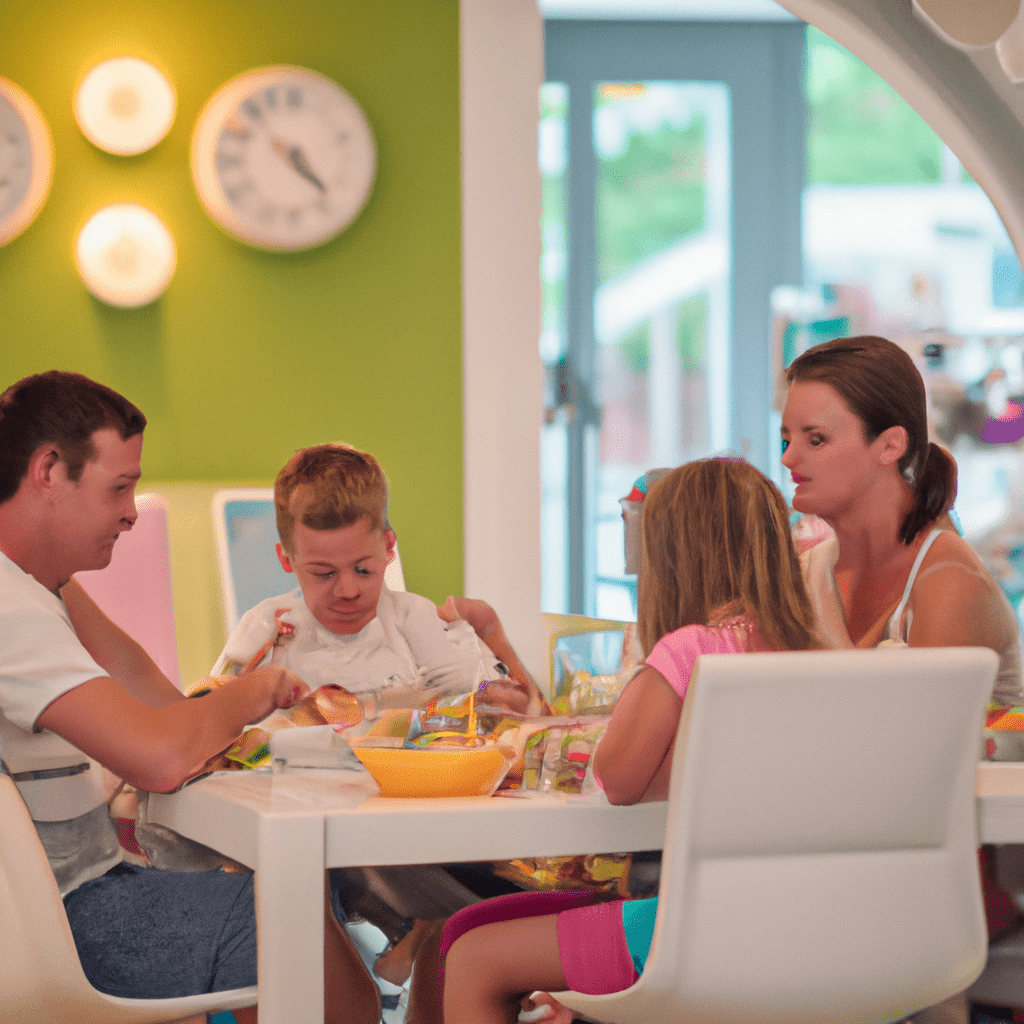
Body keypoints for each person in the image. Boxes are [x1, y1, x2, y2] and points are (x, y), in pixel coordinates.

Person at [0, 371, 381, 1024]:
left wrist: (207, 721)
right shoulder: (10, 604)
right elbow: (160, 757)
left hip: (84, 889)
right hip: (60, 920)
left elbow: (136, 678)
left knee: (304, 903)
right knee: (295, 913)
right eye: (119, 486)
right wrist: (252, 692)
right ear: (49, 471)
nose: (129, 510)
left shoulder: (39, 584)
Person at [438, 458, 820, 1024]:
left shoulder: (692, 651)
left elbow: (618, 778)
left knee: (473, 959)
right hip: (803, 926)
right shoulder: (814, 651)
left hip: (691, 932)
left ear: (673, 560)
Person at [211, 442, 540, 1018]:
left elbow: (476, 702)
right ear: (287, 560)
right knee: (263, 883)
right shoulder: (275, 629)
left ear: (389, 549)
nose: (346, 589)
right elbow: (214, 711)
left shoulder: (412, 619)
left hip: (408, 819)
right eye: (322, 573)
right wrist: (245, 680)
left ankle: (426, 950)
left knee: (473, 891)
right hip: (308, 823)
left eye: (363, 569)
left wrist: (497, 696)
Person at [781, 334, 1024, 1024]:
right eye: (788, 436)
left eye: (815, 438)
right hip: (842, 880)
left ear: (891, 445)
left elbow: (910, 774)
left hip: (927, 899)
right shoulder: (807, 574)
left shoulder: (946, 583)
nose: (789, 458)